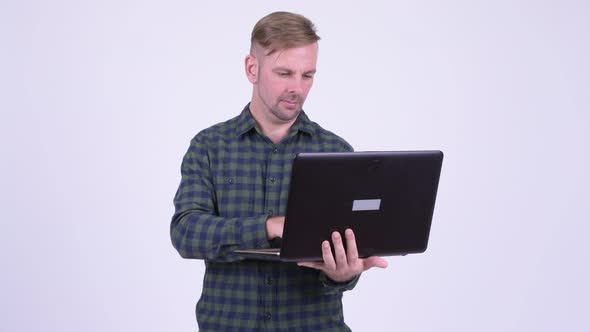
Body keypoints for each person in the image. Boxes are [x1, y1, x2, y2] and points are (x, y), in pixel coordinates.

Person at [171, 11, 387, 331]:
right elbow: (186, 232)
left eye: (307, 75)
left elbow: (345, 260)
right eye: (284, 73)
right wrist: (269, 226)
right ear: (252, 68)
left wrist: (344, 274)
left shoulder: (335, 152)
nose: (297, 88)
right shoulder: (209, 146)